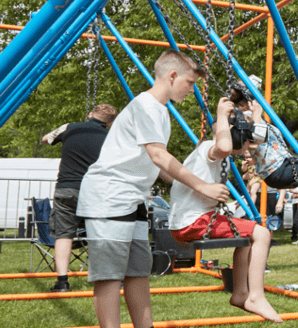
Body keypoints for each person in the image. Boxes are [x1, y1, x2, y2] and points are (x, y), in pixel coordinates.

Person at [77, 50, 228, 328]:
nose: (191, 90)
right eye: (190, 83)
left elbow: (158, 167)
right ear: (172, 76)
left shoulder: (159, 111)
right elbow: (159, 156)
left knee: (138, 272)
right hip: (109, 195)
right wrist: (203, 186)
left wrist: (195, 183)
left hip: (132, 199)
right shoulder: (146, 105)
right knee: (109, 275)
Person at [168, 97, 282, 322]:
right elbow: (223, 144)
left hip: (192, 219)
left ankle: (241, 293)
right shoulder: (210, 149)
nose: (248, 143)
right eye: (244, 135)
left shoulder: (220, 155)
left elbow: (259, 142)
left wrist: (256, 116)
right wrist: (221, 115)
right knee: (261, 233)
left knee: (248, 237)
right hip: (192, 221)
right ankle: (255, 296)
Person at [39, 104, 116, 293]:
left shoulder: (69, 127)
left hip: (67, 188)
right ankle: (108, 279)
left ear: (90, 114)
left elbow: (45, 140)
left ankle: (62, 282)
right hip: (96, 191)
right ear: (110, 122)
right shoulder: (112, 138)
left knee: (64, 235)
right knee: (102, 234)